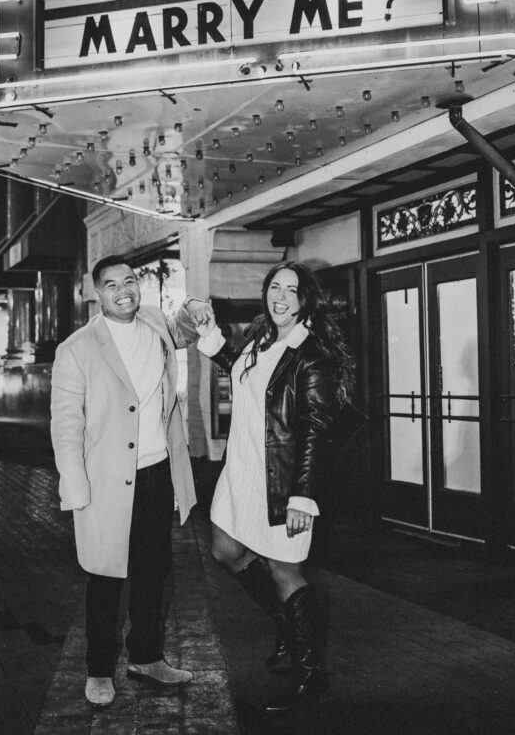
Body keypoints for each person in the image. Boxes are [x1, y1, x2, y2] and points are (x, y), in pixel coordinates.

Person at [194, 260, 353, 714]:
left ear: (305, 300)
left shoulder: (311, 354)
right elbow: (244, 374)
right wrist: (212, 337)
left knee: (285, 571)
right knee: (226, 549)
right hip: (242, 471)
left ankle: (310, 677)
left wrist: (304, 495)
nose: (280, 296)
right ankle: (286, 622)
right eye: (275, 288)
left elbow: (316, 430)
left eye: (291, 290)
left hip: (282, 480)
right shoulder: (264, 339)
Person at [50, 255, 200, 707]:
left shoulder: (154, 322)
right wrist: (75, 487)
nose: (123, 291)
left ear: (140, 286)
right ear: (98, 293)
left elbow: (186, 329)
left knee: (153, 571)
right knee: (105, 576)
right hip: (106, 481)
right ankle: (98, 669)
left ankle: (147, 656)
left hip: (157, 472)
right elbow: (65, 424)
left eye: (130, 281)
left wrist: (194, 307)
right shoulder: (77, 348)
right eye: (112, 284)